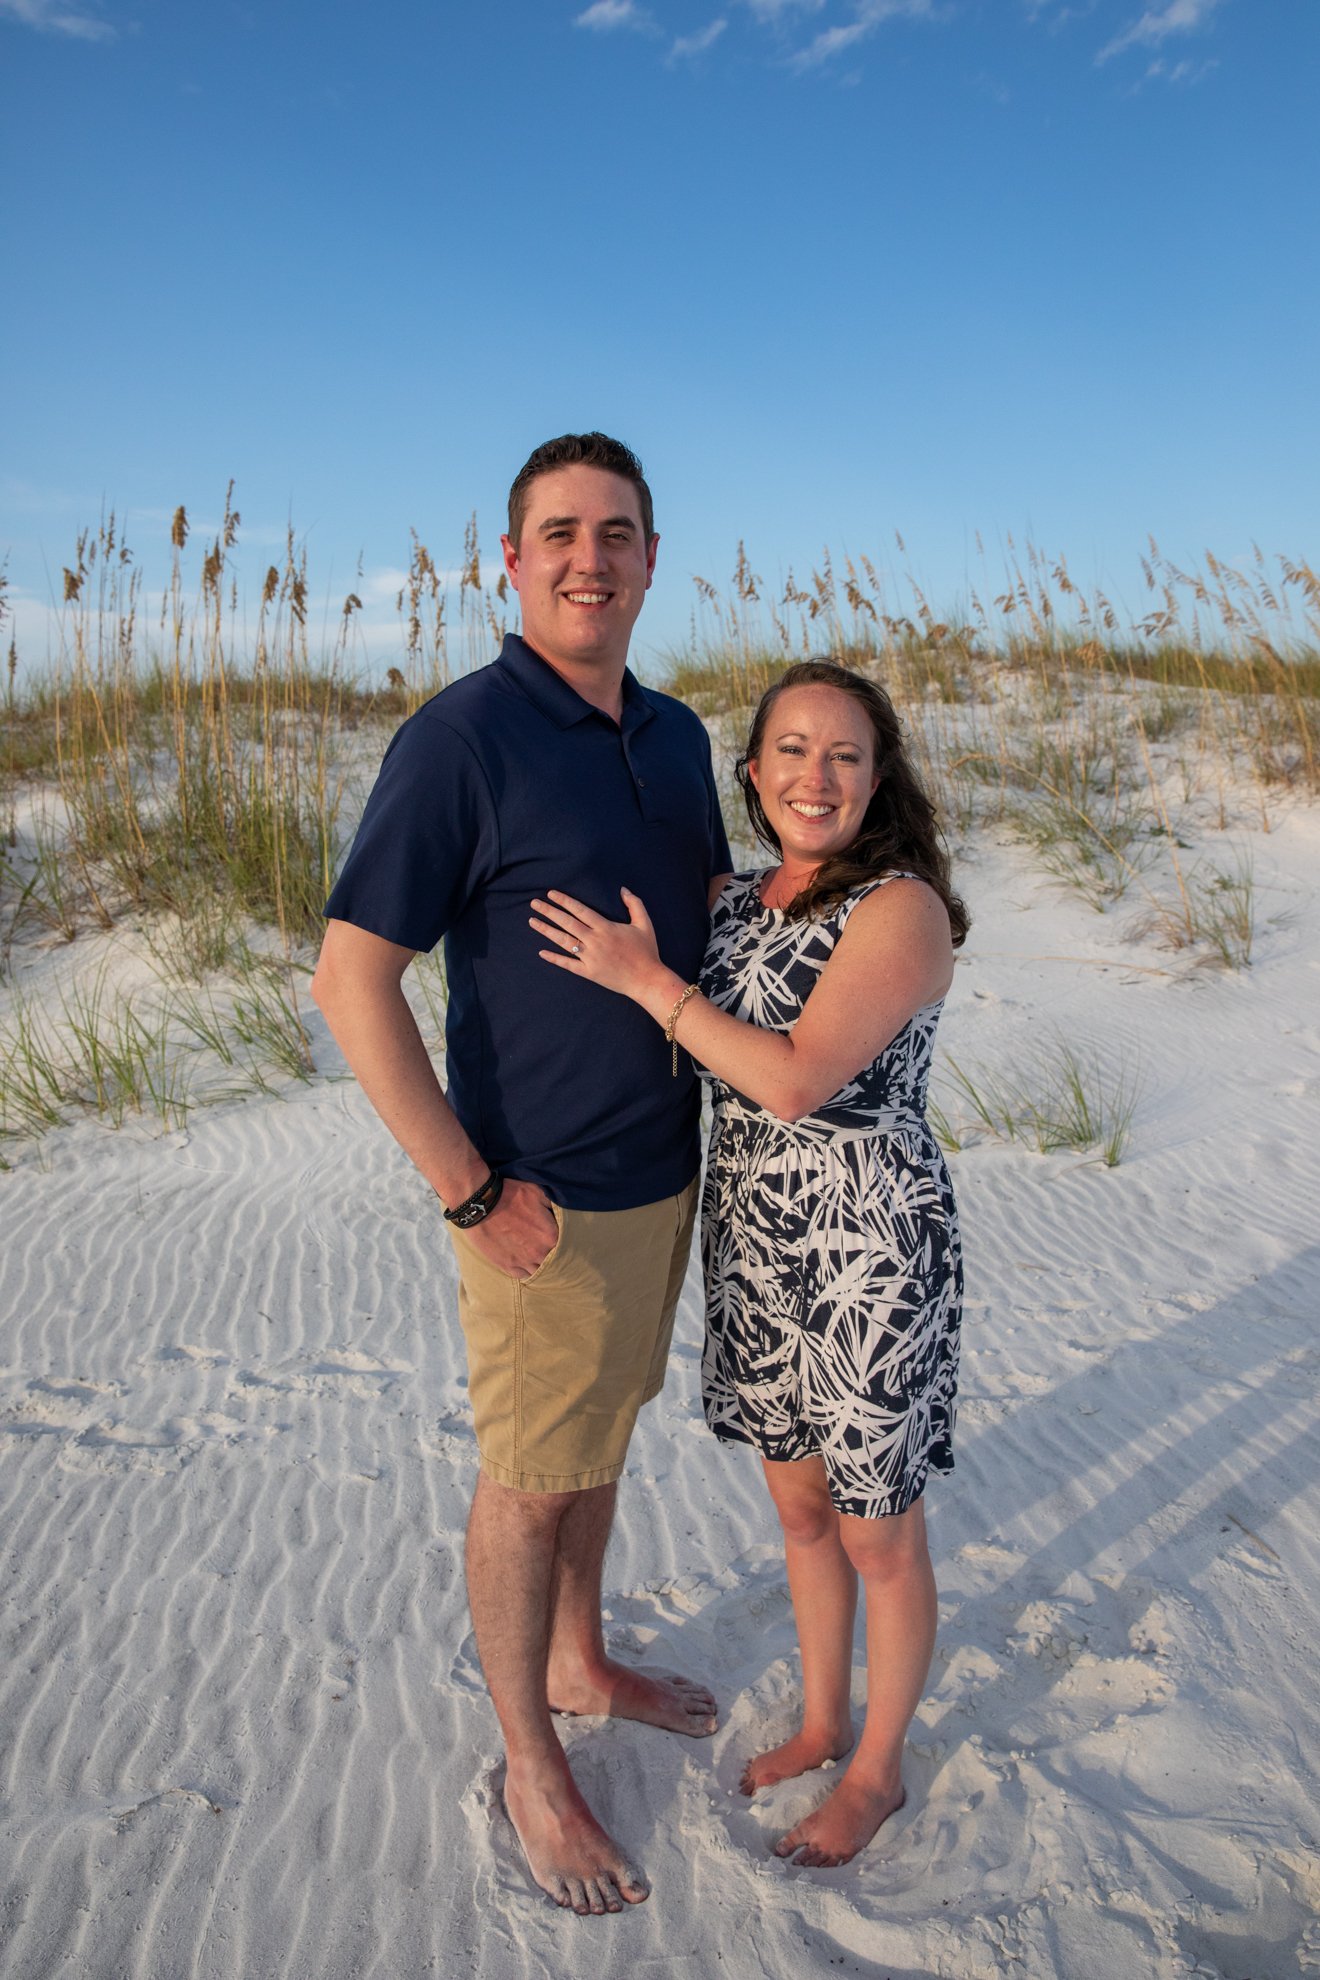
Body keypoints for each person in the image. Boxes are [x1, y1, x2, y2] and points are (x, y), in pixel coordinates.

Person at [311, 433, 732, 1918]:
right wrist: (471, 1188)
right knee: (523, 1485)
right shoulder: (463, 737)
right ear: (510, 558)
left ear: (651, 559)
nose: (588, 558)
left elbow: (703, 923)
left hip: (659, 1173)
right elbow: (350, 980)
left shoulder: (677, 736)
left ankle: (582, 1656)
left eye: (616, 532)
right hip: (537, 1195)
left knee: (596, 1445)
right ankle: (530, 1757)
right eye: (558, 532)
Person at [530, 658, 968, 1870]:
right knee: (799, 1509)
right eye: (791, 751)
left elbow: (788, 1077)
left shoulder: (900, 909)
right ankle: (824, 1715)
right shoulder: (736, 898)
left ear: (878, 777)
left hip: (869, 1250)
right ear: (755, 769)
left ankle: (877, 1766)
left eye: (843, 755)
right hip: (758, 1244)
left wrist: (647, 982)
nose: (814, 777)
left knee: (881, 1529)